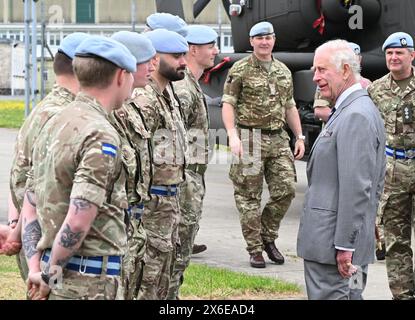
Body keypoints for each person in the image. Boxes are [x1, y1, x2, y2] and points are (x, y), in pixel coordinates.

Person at [21, 35, 136, 300]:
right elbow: (79, 216)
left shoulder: (53, 121)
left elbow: (30, 202)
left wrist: (36, 268)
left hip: (54, 272)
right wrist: (51, 274)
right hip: (86, 283)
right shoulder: (99, 133)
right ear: (121, 76)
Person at [297, 39, 386, 300]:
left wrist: (346, 245)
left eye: (322, 70)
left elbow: (358, 186)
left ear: (345, 70)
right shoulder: (348, 109)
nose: (315, 77)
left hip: (334, 249)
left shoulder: (356, 115)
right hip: (339, 245)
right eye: (314, 70)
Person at [1, 33, 89, 280]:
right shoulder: (62, 116)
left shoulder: (45, 109)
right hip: (48, 241)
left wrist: (14, 228)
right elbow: (35, 187)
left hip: (37, 236)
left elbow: (19, 175)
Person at [222, 21, 305, 268]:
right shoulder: (240, 69)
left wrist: (299, 136)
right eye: (259, 38)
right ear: (251, 42)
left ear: (274, 40)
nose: (264, 42)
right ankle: (255, 249)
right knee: (249, 197)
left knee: (286, 189)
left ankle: (267, 237)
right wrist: (232, 135)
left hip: (278, 137)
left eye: (268, 37)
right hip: (249, 137)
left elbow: (289, 105)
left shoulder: (283, 70)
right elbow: (228, 103)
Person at [133, 29, 188, 300]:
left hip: (168, 206)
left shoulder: (168, 95)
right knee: (147, 282)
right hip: (151, 208)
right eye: (176, 56)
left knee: (164, 282)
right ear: (154, 60)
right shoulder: (145, 100)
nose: (184, 62)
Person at [167, 25, 219, 299]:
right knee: (175, 257)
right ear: (194, 50)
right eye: (211, 46)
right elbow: (168, 144)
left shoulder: (190, 84)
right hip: (183, 182)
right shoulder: (183, 89)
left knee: (180, 256)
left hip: (191, 181)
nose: (216, 51)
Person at [367, 32, 415, 300]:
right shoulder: (376, 90)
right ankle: (403, 295)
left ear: (412, 55)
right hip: (391, 170)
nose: (394, 57)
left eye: (400, 53)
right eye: (390, 53)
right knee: (396, 241)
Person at [110, 30, 156, 300]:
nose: (152, 66)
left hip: (134, 228)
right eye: (145, 61)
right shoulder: (106, 115)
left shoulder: (129, 109)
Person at [313, 42, 372, 123]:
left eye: (356, 57)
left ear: (360, 59)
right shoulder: (327, 84)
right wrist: (346, 121)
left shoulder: (368, 84)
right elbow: (319, 110)